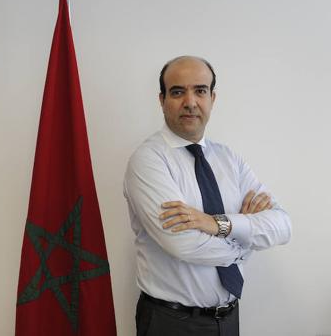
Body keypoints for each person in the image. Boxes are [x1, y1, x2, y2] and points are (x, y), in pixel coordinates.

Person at [123, 56, 291, 336]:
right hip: (171, 323)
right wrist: (247, 242)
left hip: (228, 319)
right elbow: (184, 244)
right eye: (178, 92)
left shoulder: (229, 159)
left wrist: (218, 224)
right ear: (161, 99)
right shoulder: (148, 160)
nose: (190, 102)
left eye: (200, 90)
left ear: (212, 98)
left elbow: (283, 225)